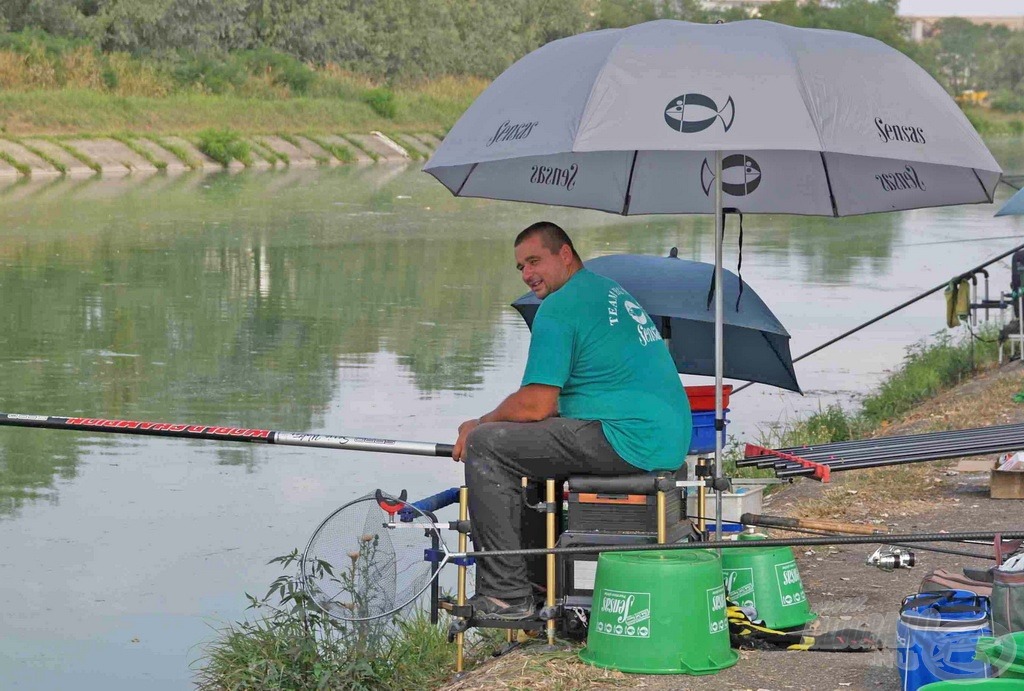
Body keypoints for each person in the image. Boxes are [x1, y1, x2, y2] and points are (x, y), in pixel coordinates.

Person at [451, 221, 692, 620]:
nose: (528, 275)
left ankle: (506, 595)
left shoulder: (559, 307)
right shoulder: (606, 290)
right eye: (520, 268)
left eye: (534, 261)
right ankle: (540, 581)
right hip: (666, 436)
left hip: (628, 437)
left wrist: (479, 422)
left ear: (565, 254)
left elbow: (536, 405)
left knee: (488, 446)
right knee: (518, 444)